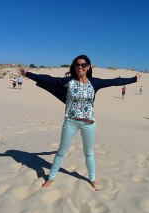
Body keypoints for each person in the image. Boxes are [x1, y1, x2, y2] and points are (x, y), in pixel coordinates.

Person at [18, 55, 141, 190]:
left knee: (89, 153)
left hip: (89, 124)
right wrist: (28, 74)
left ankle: (92, 179)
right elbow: (48, 79)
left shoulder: (95, 82)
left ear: (88, 67)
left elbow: (114, 81)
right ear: (74, 67)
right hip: (71, 122)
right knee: (61, 152)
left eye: (83, 65)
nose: (80, 67)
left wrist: (134, 79)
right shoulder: (69, 81)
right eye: (77, 65)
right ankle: (51, 178)